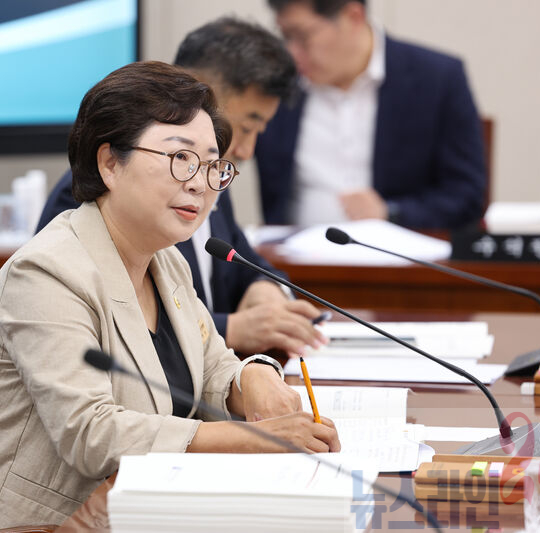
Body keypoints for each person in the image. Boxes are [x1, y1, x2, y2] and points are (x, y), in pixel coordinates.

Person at [0, 62, 340, 531]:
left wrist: (253, 377)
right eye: (181, 158)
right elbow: (92, 433)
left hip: (134, 513)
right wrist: (252, 438)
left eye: (213, 165)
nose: (200, 183)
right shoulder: (46, 273)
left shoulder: (164, 260)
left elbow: (211, 366)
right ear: (110, 163)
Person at [38, 18, 327, 358]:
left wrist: (266, 290)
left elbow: (246, 263)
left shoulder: (209, 180)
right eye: (247, 127)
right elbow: (101, 328)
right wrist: (233, 329)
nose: (247, 151)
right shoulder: (90, 195)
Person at [256, 0, 487, 230]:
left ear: (353, 17)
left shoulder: (438, 79)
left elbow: (466, 195)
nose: (292, 52)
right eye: (285, 37)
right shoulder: (274, 86)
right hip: (291, 251)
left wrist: (391, 212)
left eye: (302, 36)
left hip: (400, 249)